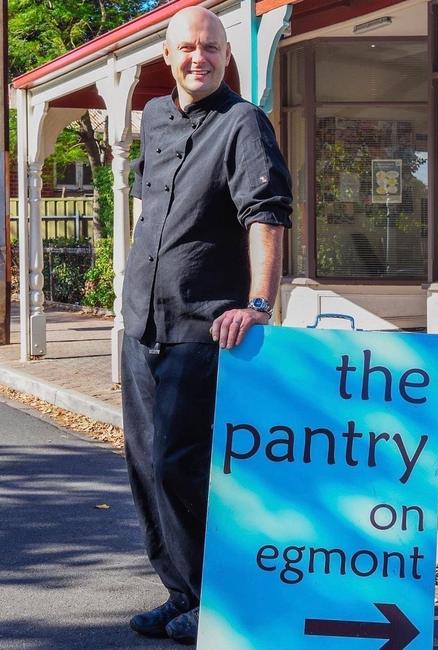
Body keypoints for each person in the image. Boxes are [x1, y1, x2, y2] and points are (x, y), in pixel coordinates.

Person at [121, 6, 292, 645]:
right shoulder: (152, 117)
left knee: (181, 467)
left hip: (203, 327)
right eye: (187, 48)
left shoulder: (244, 122)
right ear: (167, 56)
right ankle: (178, 592)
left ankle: (211, 598)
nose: (200, 57)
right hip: (141, 326)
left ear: (227, 56)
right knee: (144, 468)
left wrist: (258, 304)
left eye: (212, 47)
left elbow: (266, 214)